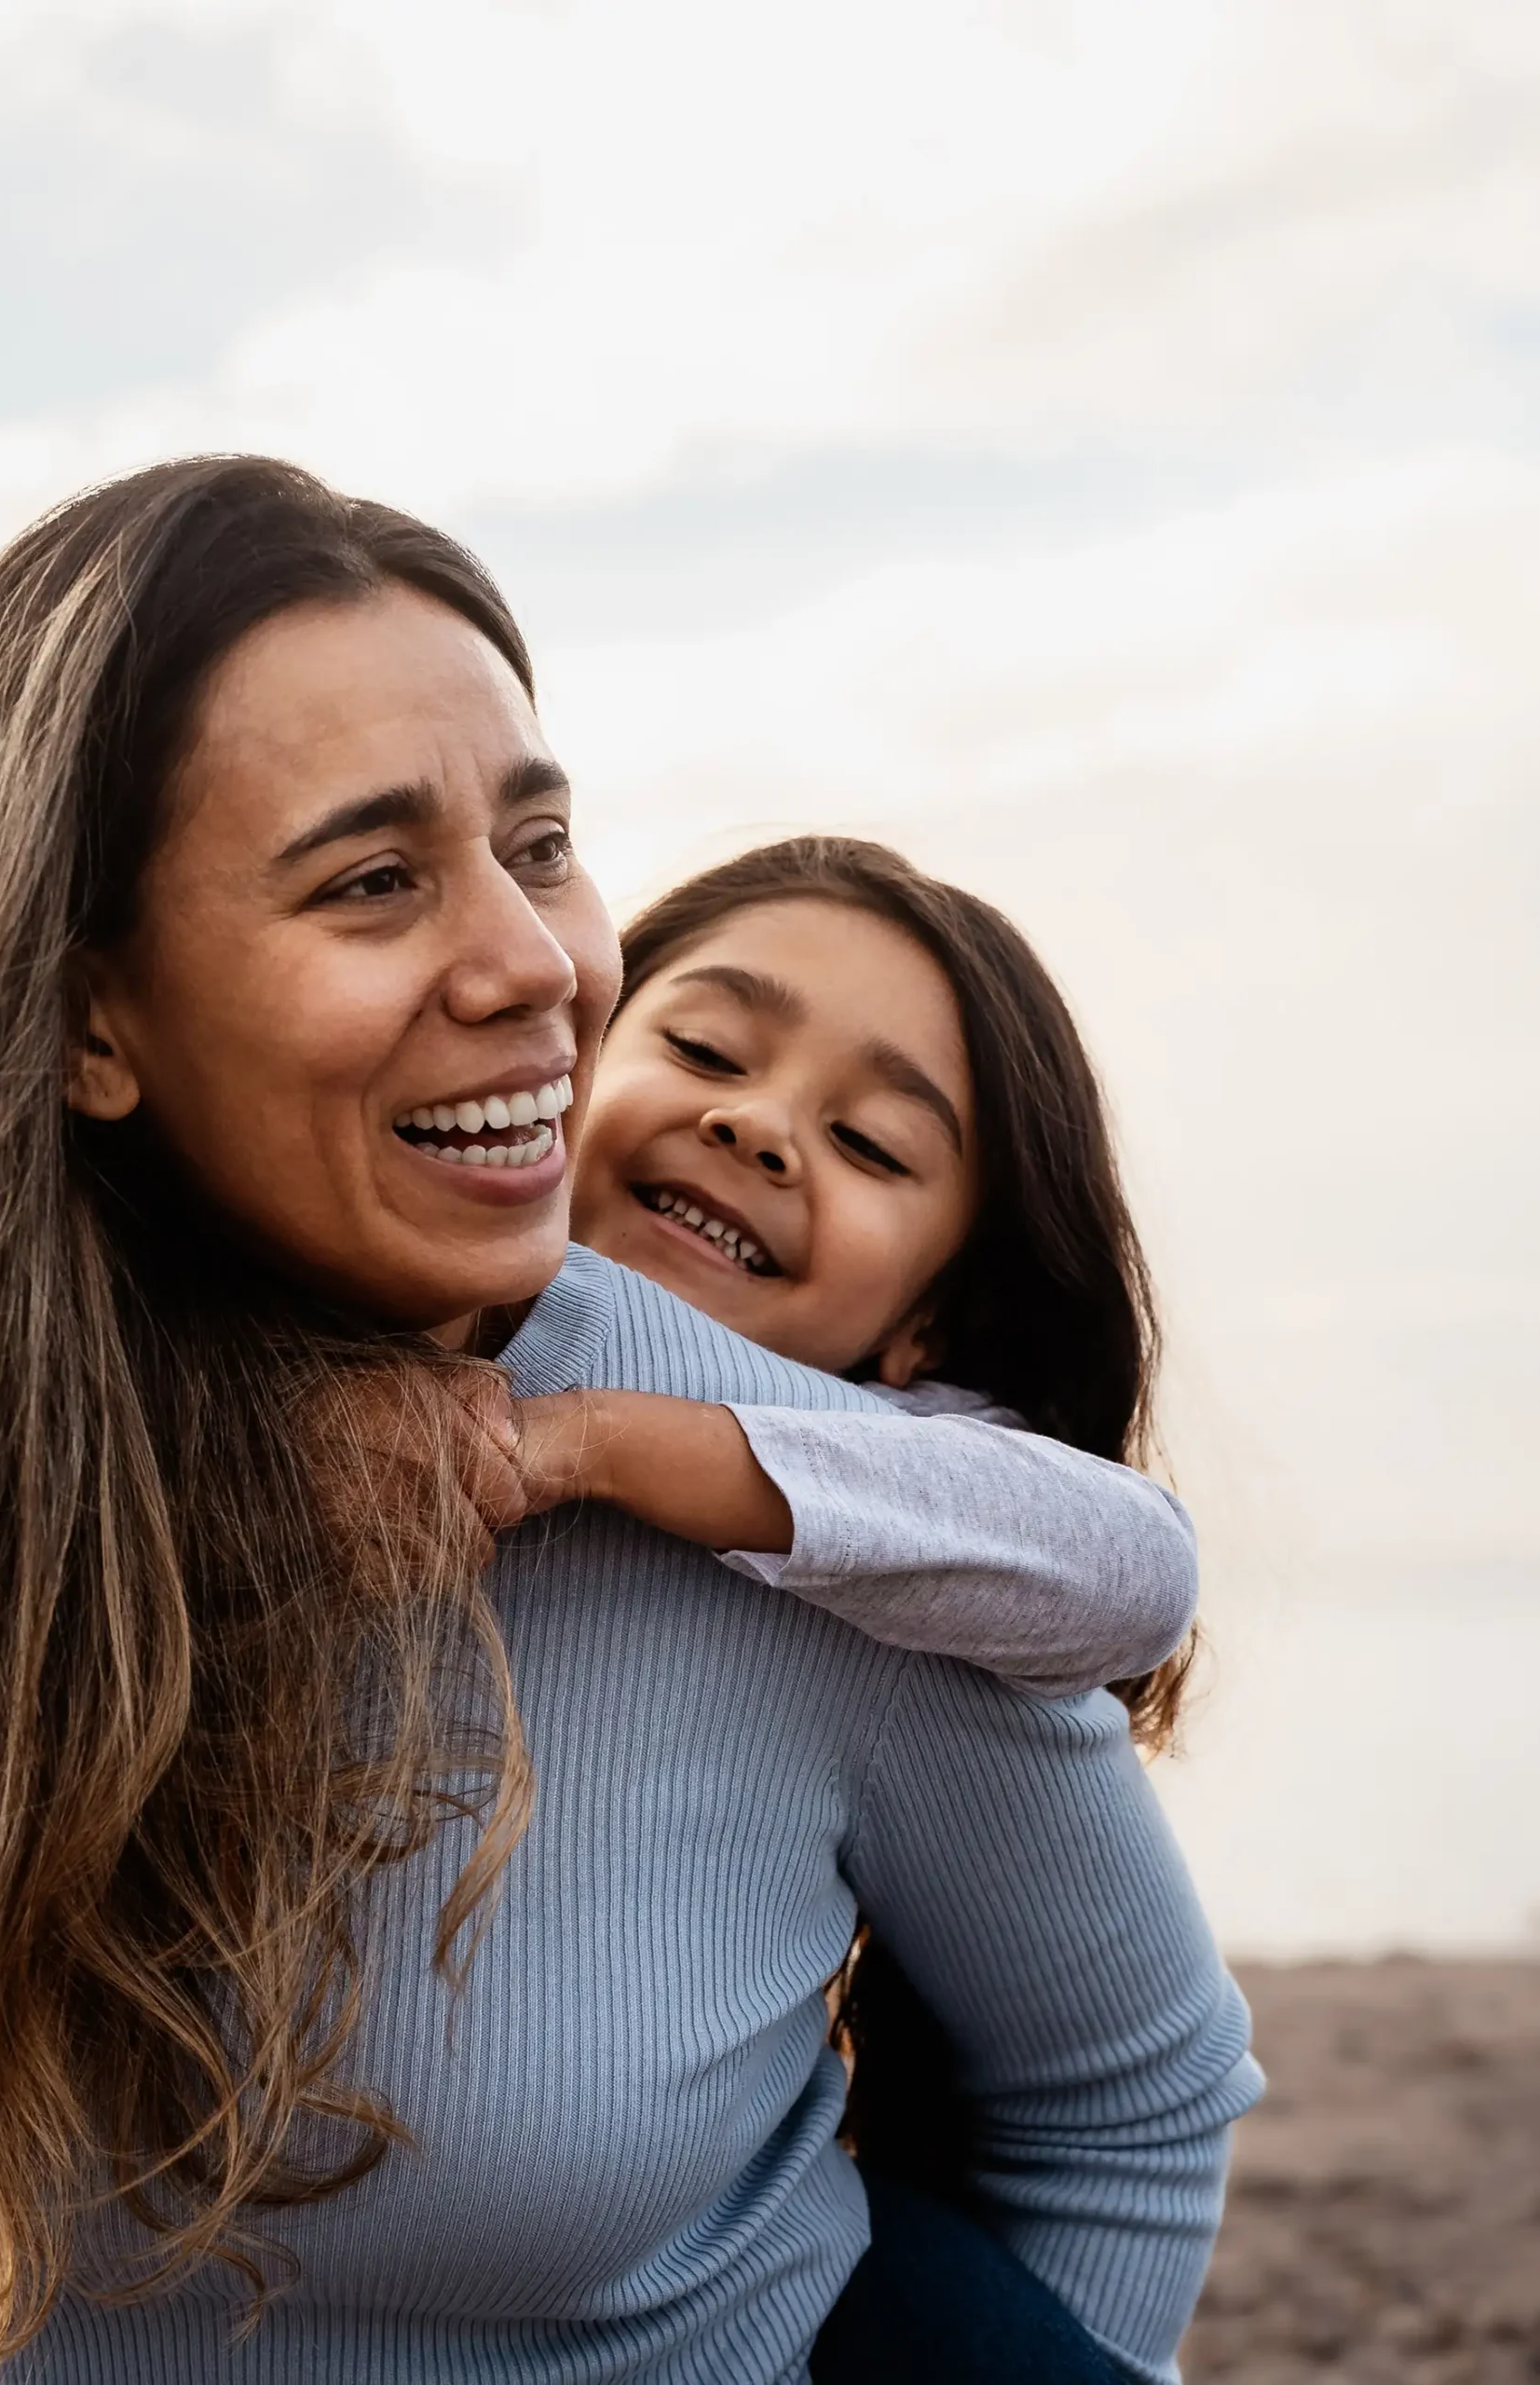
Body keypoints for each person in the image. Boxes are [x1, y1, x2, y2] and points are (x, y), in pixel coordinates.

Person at [0, 455, 1259, 2384]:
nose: (538, 965)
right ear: (82, 1020)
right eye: (375, 880)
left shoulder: (803, 1498)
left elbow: (1127, 2094)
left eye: (540, 847)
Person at [511, 832, 1206, 2375]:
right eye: (706, 1050)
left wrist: (594, 1440)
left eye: (874, 1145)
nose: (757, 1126)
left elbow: (1139, 1568)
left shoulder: (900, 1550)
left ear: (927, 1329)